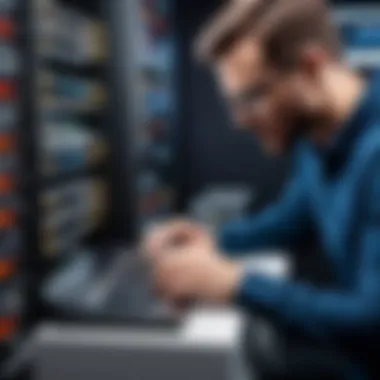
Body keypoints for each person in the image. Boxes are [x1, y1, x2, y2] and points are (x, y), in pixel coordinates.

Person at [143, 0, 380, 378]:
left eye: (251, 97)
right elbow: (289, 220)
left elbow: (372, 319)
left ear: (311, 68)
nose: (238, 122)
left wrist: (236, 284)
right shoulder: (321, 135)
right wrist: (211, 241)